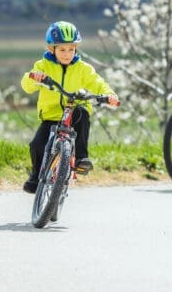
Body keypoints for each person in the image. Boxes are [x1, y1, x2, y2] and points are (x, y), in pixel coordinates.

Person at [21, 21, 118, 194]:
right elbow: (27, 86)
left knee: (83, 113)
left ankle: (81, 158)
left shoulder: (83, 69)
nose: (67, 54)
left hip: (74, 113)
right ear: (52, 49)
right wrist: (34, 78)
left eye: (71, 49)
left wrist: (109, 95)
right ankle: (36, 176)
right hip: (51, 115)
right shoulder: (43, 66)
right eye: (62, 49)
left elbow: (97, 83)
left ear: (76, 49)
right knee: (37, 145)